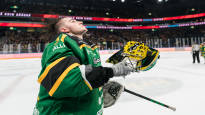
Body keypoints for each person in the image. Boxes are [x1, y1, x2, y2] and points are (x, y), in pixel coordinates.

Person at [33, 17, 134, 115]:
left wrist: (98, 90)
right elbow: (66, 80)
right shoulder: (60, 42)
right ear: (64, 29)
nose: (80, 21)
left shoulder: (87, 47)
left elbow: (85, 79)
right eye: (72, 21)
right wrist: (111, 71)